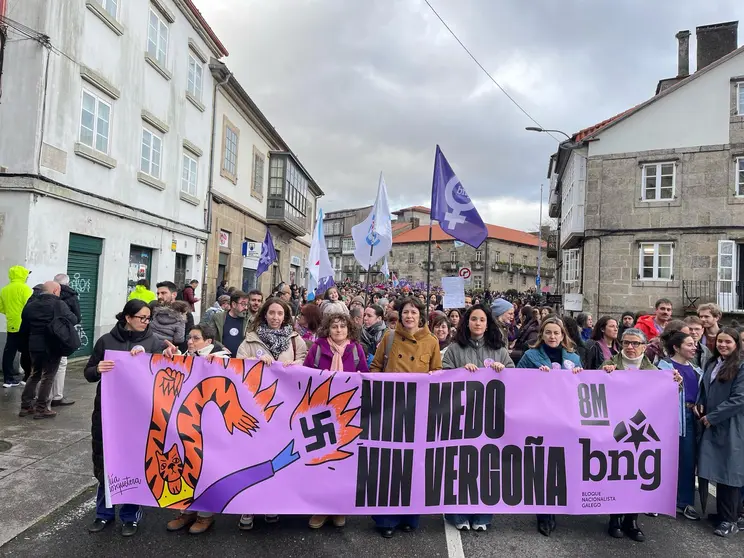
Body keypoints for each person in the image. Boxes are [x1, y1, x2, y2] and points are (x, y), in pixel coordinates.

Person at [84, 300, 164, 537]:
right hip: (108, 413)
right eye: (142, 317)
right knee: (107, 464)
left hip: (139, 414)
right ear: (127, 317)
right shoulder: (106, 341)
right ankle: (103, 514)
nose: (146, 322)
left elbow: (163, 374)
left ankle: (131, 516)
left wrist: (148, 358)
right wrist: (98, 368)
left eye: (148, 318)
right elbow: (88, 373)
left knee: (133, 465)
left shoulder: (153, 342)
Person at [369, 296, 441, 538]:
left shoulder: (431, 341)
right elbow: (375, 367)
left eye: (413, 312)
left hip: (418, 410)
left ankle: (411, 516)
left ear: (420, 316)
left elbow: (438, 371)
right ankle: (385, 519)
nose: (409, 316)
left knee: (414, 464)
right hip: (390, 408)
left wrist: (432, 376)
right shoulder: (389, 338)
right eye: (405, 312)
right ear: (399, 315)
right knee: (388, 463)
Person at [235, 297, 307, 531]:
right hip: (256, 407)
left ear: (286, 316)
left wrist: (294, 366)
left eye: (280, 314)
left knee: (278, 457)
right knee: (253, 457)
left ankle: (272, 503)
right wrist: (254, 362)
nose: (276, 317)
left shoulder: (296, 341)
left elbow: (305, 365)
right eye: (272, 313)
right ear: (264, 314)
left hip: (286, 408)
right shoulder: (250, 340)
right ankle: (248, 506)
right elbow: (236, 367)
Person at [441, 304, 514, 532]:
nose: (478, 323)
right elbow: (443, 375)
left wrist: (504, 370)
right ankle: (458, 513)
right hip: (461, 416)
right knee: (460, 465)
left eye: (482, 320)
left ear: (488, 323)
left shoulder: (499, 350)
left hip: (489, 416)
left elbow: (515, 379)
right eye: (474, 319)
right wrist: (461, 371)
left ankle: (483, 514)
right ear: (467, 322)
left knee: (487, 465)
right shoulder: (454, 349)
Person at [517, 317, 582, 537]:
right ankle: (544, 515)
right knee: (542, 467)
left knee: (560, 466)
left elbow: (582, 389)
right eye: (548, 333)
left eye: (556, 333)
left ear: (563, 336)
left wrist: (578, 377)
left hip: (564, 420)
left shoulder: (573, 358)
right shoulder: (530, 356)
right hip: (539, 419)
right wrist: (535, 378)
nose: (552, 337)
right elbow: (516, 383)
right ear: (541, 335)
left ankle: (556, 508)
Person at [597, 328, 664, 542]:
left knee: (637, 474)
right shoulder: (609, 365)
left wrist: (676, 382)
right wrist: (602, 376)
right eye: (626, 343)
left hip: (641, 431)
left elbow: (668, 396)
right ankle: (614, 517)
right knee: (616, 472)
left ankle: (631, 519)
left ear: (644, 346)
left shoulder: (653, 370)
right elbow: (592, 389)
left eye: (635, 343)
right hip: (615, 430)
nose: (630, 347)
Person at [303, 313, 368, 529]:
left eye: (342, 327)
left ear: (349, 329)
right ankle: (320, 509)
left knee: (343, 463)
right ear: (327, 329)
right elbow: (304, 374)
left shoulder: (356, 350)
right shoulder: (318, 348)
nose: (338, 330)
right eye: (334, 327)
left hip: (347, 412)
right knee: (321, 461)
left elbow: (365, 376)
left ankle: (339, 509)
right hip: (320, 411)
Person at [164, 324, 229, 535]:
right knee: (185, 465)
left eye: (195, 338)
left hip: (210, 424)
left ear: (208, 342)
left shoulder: (222, 358)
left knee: (206, 468)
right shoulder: (185, 355)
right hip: (187, 422)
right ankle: (187, 510)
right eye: (189, 337)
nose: (190, 341)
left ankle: (205, 515)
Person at [695, 329, 744, 538]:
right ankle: (723, 513)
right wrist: (699, 404)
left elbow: (739, 399)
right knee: (717, 470)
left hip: (730, 425)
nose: (723, 345)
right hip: (711, 425)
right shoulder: (713, 364)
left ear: (736, 344)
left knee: (730, 471)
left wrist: (712, 417)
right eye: (720, 341)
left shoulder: (741, 366)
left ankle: (731, 520)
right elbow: (705, 389)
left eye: (728, 342)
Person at [657, 331, 702, 522]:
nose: (694, 348)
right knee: (663, 460)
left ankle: (684, 502)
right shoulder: (662, 367)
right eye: (690, 344)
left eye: (695, 344)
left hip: (690, 418)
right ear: (676, 347)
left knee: (687, 460)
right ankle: (658, 500)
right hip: (667, 418)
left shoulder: (697, 370)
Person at [17, 281, 78, 418]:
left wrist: (23, 346)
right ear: (56, 290)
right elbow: (73, 319)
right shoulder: (58, 304)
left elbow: (24, 327)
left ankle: (25, 406)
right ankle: (41, 408)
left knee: (34, 374)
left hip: (34, 345)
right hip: (52, 345)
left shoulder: (31, 305)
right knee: (48, 377)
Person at [49, 273, 82, 407]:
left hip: (47, 334)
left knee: (47, 365)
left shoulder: (45, 294)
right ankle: (57, 396)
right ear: (67, 284)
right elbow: (77, 317)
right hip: (63, 335)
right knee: (61, 364)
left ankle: (46, 396)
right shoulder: (71, 296)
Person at [0, 265, 33, 388]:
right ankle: (26, 377)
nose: (27, 276)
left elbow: (1, 307)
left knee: (9, 351)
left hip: (11, 324)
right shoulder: (26, 289)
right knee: (26, 352)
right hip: (25, 324)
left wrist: (11, 313)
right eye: (26, 274)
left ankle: (8, 379)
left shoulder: (5, 289)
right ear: (22, 275)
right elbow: (30, 306)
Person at [203, 291, 250, 357]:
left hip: (242, 361)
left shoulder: (248, 320)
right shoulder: (218, 318)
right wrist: (221, 347)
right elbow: (210, 337)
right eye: (243, 304)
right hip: (222, 360)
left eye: (247, 305)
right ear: (233, 304)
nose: (246, 308)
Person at [157, 281, 193, 352]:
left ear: (174, 295)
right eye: (158, 293)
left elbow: (186, 339)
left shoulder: (185, 314)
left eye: (163, 293)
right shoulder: (154, 310)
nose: (159, 296)